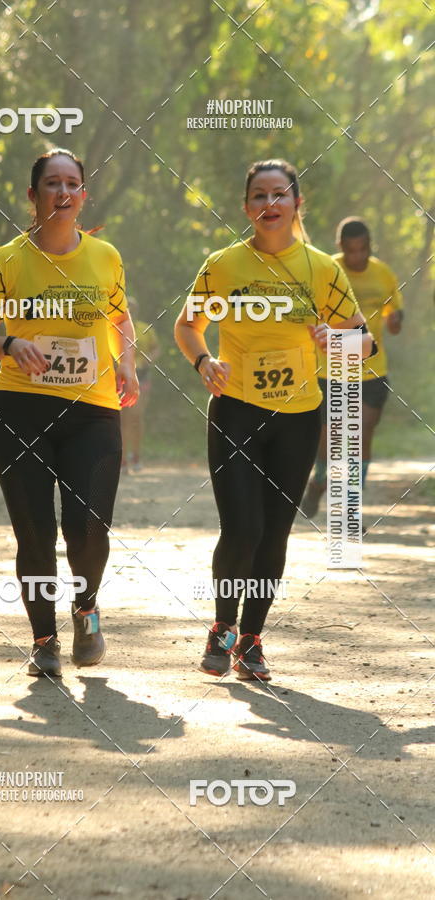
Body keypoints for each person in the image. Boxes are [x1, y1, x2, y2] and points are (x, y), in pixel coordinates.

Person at [174, 159, 376, 681]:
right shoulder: (222, 265)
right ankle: (221, 627)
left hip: (299, 416)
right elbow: (187, 326)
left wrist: (337, 341)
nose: (270, 204)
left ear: (296, 205)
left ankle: (251, 640)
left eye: (280, 195)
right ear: (246, 208)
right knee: (242, 528)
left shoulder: (322, 269)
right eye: (259, 195)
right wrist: (203, 361)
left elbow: (365, 340)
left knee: (275, 534)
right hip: (237, 409)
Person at [0, 148, 138, 677]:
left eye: (73, 184)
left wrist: (126, 364)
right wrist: (11, 343)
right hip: (21, 411)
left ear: (84, 196)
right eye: (52, 184)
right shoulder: (5, 260)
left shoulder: (106, 257)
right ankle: (43, 641)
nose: (63, 192)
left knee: (86, 528)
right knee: (34, 532)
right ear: (33, 196)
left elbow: (121, 317)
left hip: (94, 412)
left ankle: (86, 610)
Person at [301, 217, 404, 517]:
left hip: (372, 369)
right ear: (340, 248)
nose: (357, 257)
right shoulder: (326, 270)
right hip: (330, 369)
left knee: (361, 434)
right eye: (350, 250)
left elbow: (394, 320)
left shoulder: (383, 274)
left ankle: (350, 507)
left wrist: (395, 322)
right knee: (330, 440)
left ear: (370, 246)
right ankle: (318, 483)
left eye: (362, 250)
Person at [120, 297, 160, 472]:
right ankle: (122, 459)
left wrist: (150, 358)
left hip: (141, 375)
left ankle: (136, 455)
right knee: (122, 419)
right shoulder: (115, 327)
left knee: (136, 416)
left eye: (133, 308)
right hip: (120, 376)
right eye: (128, 307)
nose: (131, 310)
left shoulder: (145, 329)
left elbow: (156, 348)